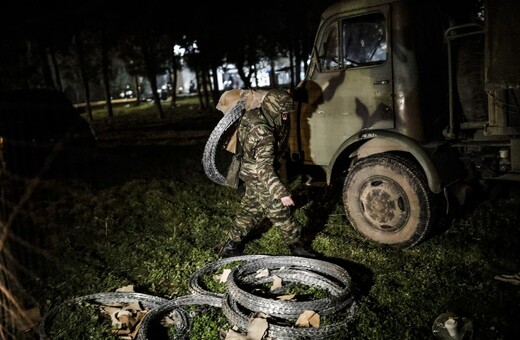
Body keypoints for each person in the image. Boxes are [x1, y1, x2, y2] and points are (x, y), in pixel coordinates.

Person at [216, 88, 316, 258]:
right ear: (275, 110)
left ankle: (230, 245)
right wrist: (281, 193)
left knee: (250, 210)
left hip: (248, 170)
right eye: (283, 112)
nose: (286, 116)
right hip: (259, 175)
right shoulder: (264, 134)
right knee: (280, 212)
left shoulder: (254, 114)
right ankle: (297, 247)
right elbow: (264, 169)